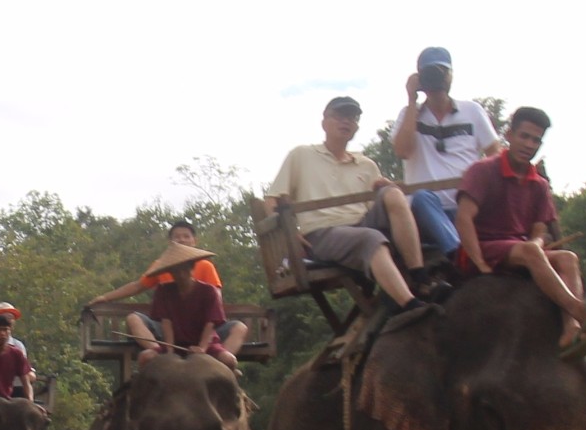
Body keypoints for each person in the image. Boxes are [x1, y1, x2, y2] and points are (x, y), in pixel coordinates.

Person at [455, 107, 586, 360]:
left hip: (520, 250)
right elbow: (464, 219)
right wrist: (479, 263)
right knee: (530, 250)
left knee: (568, 258)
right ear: (509, 134)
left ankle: (569, 329)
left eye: (536, 140)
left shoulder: (539, 185)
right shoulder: (482, 171)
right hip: (485, 248)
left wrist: (537, 244)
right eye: (524, 136)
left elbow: (538, 231)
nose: (529, 144)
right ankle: (581, 311)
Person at [267, 96, 432, 325]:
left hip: (360, 224)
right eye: (339, 116)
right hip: (322, 234)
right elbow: (272, 200)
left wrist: (384, 190)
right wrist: (288, 233)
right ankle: (411, 304)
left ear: (356, 127)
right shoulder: (301, 154)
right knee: (370, 238)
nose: (346, 121)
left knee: (393, 193)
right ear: (324, 122)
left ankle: (420, 275)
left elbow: (377, 207)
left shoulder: (366, 164)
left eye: (352, 118)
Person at [390, 45, 503, 258]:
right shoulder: (409, 115)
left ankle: (461, 250)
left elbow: (495, 154)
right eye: (430, 72)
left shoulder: (472, 111)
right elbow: (402, 151)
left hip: (467, 202)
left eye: (442, 72)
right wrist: (412, 101)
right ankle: (459, 255)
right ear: (419, 77)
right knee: (422, 197)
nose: (437, 79)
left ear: (451, 76)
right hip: (428, 209)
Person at [86, 220, 247, 360]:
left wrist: (203, 345)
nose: (182, 240)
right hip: (169, 329)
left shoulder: (205, 266)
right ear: (170, 242)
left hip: (201, 327)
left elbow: (215, 303)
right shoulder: (162, 267)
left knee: (240, 328)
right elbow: (138, 286)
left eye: (186, 236)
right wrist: (105, 297)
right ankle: (158, 350)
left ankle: (222, 367)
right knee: (133, 319)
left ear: (194, 240)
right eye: (177, 237)